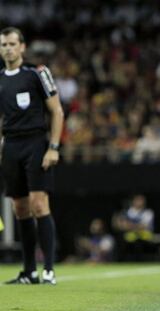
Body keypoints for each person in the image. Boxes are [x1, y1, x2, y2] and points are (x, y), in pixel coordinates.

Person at [0, 27, 64, 284]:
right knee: (20, 208)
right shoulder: (0, 78)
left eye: (12, 44)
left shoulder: (38, 73)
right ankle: (29, 271)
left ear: (22, 47)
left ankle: (48, 269)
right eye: (4, 44)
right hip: (12, 147)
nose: (8, 48)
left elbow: (57, 111)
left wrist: (54, 147)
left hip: (36, 143)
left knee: (39, 204)